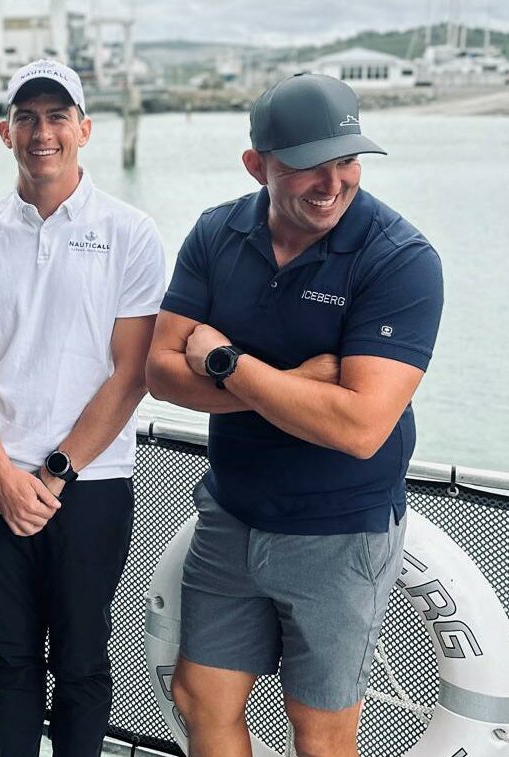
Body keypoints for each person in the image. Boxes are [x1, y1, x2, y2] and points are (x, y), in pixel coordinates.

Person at [145, 73, 444, 757]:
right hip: (232, 513)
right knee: (201, 699)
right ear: (259, 165)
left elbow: (360, 427)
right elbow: (160, 372)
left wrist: (229, 364)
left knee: (320, 733)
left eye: (347, 161)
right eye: (311, 164)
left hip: (340, 532)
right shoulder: (217, 232)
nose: (333, 182)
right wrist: (298, 384)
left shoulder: (399, 259)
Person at [0, 60, 166, 756]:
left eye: (58, 116)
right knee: (11, 659)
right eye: (29, 118)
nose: (43, 132)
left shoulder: (132, 233)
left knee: (82, 663)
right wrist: (3, 474)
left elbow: (133, 372)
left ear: (85, 129)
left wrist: (56, 470)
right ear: (6, 131)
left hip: (90, 484)